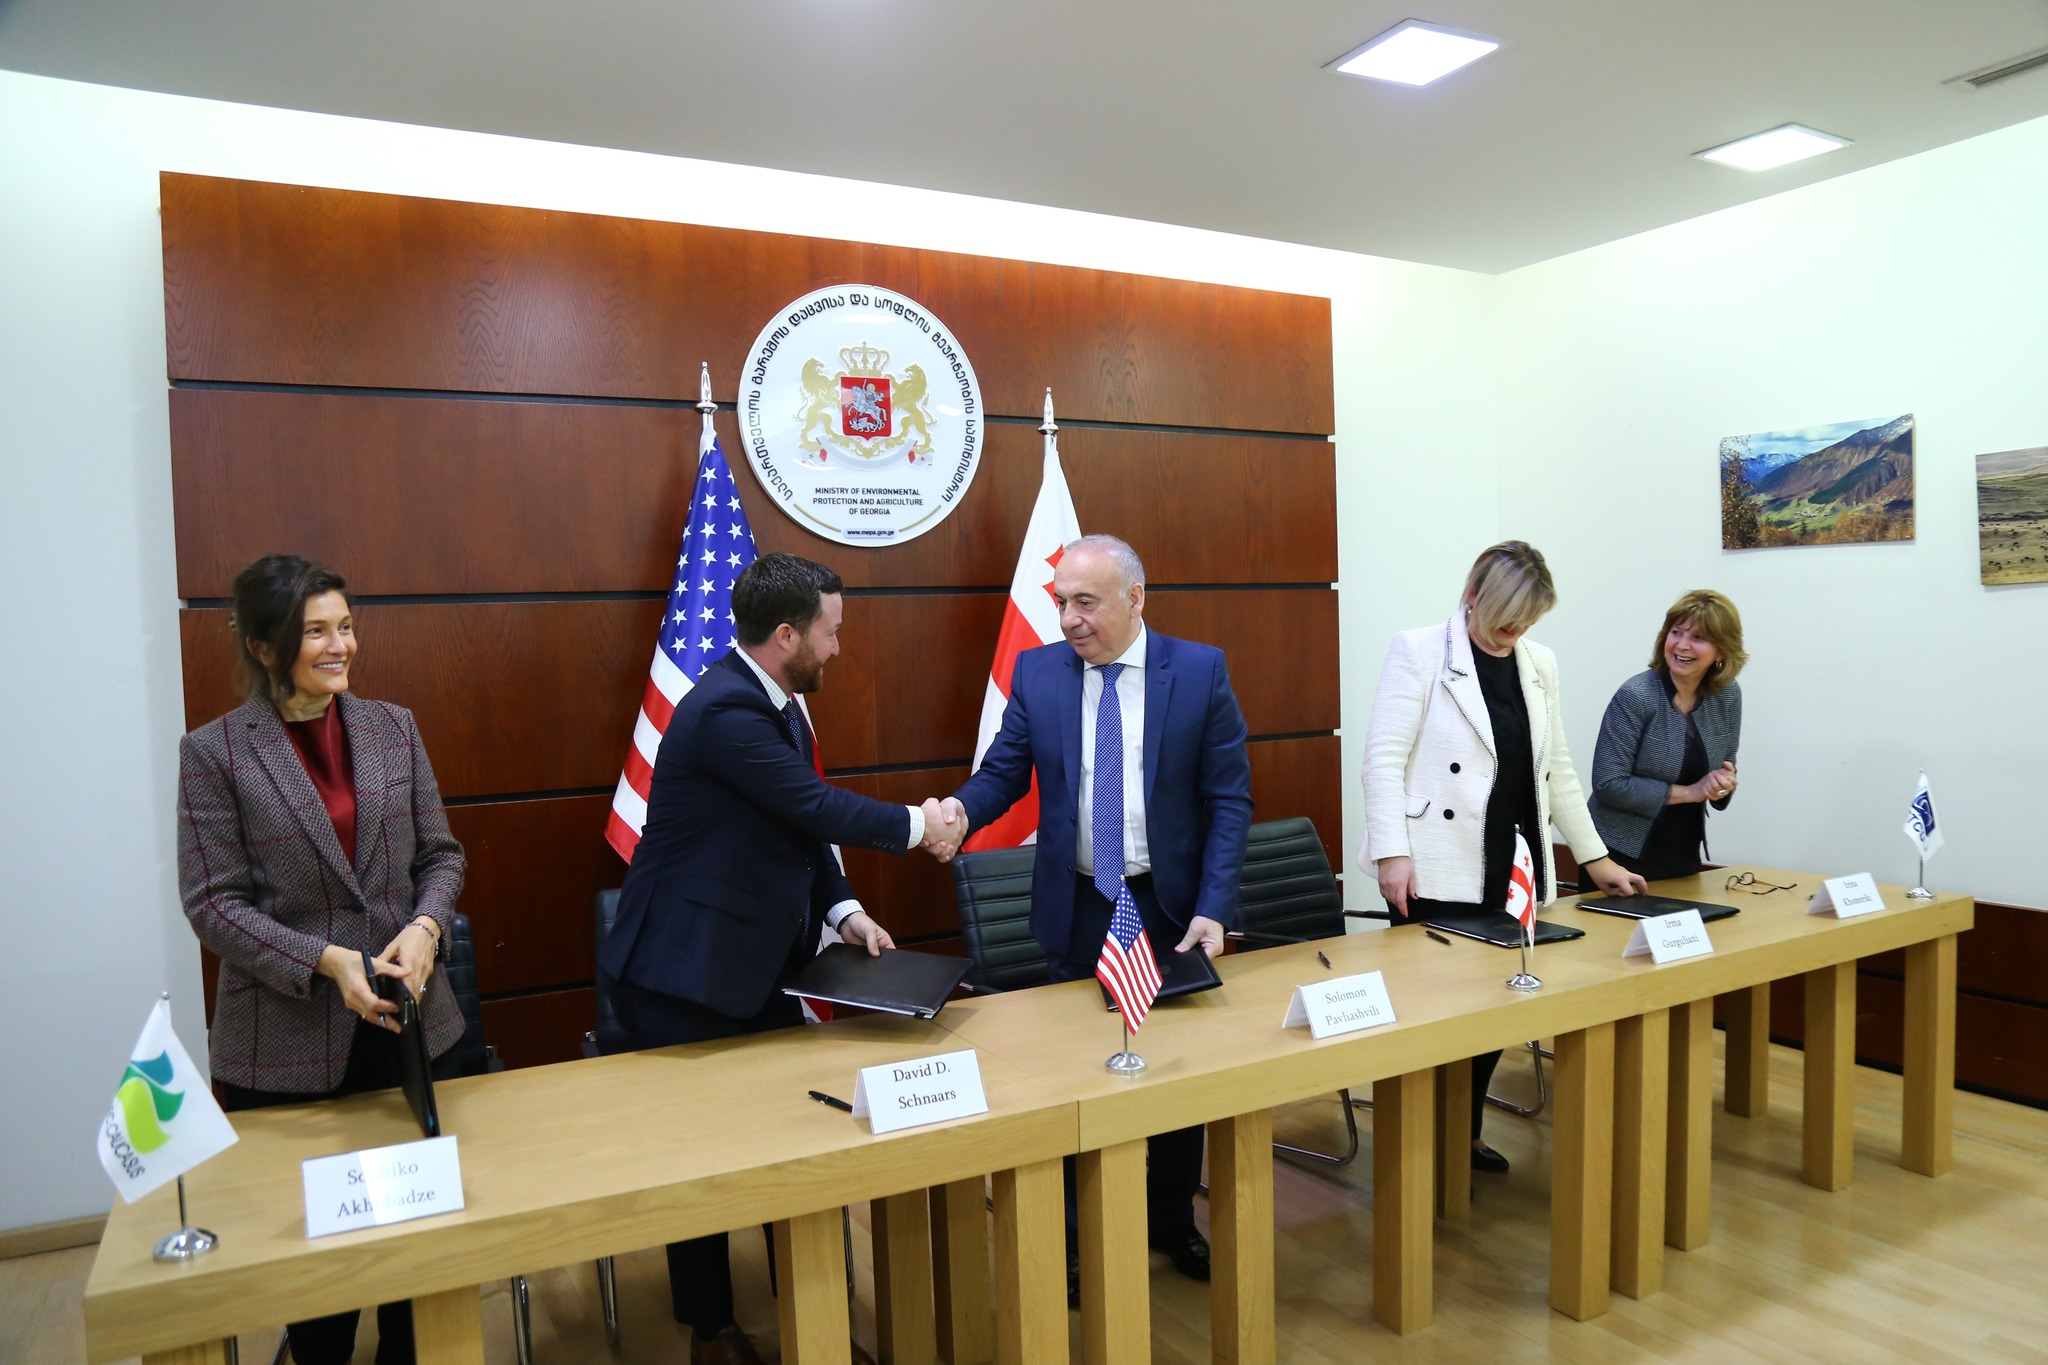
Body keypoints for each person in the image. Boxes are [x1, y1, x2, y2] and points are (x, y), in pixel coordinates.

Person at [596, 551, 961, 1365]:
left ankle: (814, 1321)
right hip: (682, 973)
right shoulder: (726, 709)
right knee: (702, 1161)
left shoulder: (779, 702)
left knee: (794, 1149)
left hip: (759, 965)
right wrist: (921, 824)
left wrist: (845, 910)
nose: (838, 647)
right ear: (787, 634)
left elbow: (800, 829)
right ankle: (711, 1330)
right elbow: (813, 803)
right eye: (830, 632)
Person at [940, 534, 1254, 1301]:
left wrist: (1214, 906)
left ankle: (1170, 1215)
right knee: (1077, 1079)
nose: (1069, 619)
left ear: (1135, 597)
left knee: (1176, 1076)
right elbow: (1004, 771)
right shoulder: (1039, 671)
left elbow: (1229, 800)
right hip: (1079, 904)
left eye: (1086, 602)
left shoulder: (1200, 670)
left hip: (1167, 907)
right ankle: (1077, 1238)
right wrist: (959, 811)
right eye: (1061, 603)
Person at [177, 554, 464, 1365]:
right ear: (264, 646)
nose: (340, 646)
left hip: (407, 1029)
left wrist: (427, 927)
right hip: (288, 1046)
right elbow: (212, 902)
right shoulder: (214, 752)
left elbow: (441, 855)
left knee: (418, 1266)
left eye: (345, 626)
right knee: (318, 1285)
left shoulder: (393, 726)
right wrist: (326, 959)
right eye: (315, 632)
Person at [1358, 541, 1645, 1174]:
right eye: (1505, 617)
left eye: (1527, 620)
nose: (1514, 631)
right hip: (1437, 861)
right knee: (1436, 1015)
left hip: (1514, 860)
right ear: (1473, 596)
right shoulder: (1419, 650)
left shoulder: (1539, 662)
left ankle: (1462, 1134)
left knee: (1496, 1007)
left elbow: (1557, 768)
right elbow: (1381, 759)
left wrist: (1596, 859)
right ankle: (1418, 1146)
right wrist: (1391, 853)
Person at [1589, 589, 1746, 881]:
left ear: (1722, 651)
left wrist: (1721, 785)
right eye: (1676, 632)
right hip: (1618, 854)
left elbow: (1725, 765)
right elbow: (1608, 784)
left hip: (1684, 849)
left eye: (1698, 637)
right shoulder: (1636, 696)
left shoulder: (1727, 695)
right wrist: (1691, 792)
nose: (1682, 645)